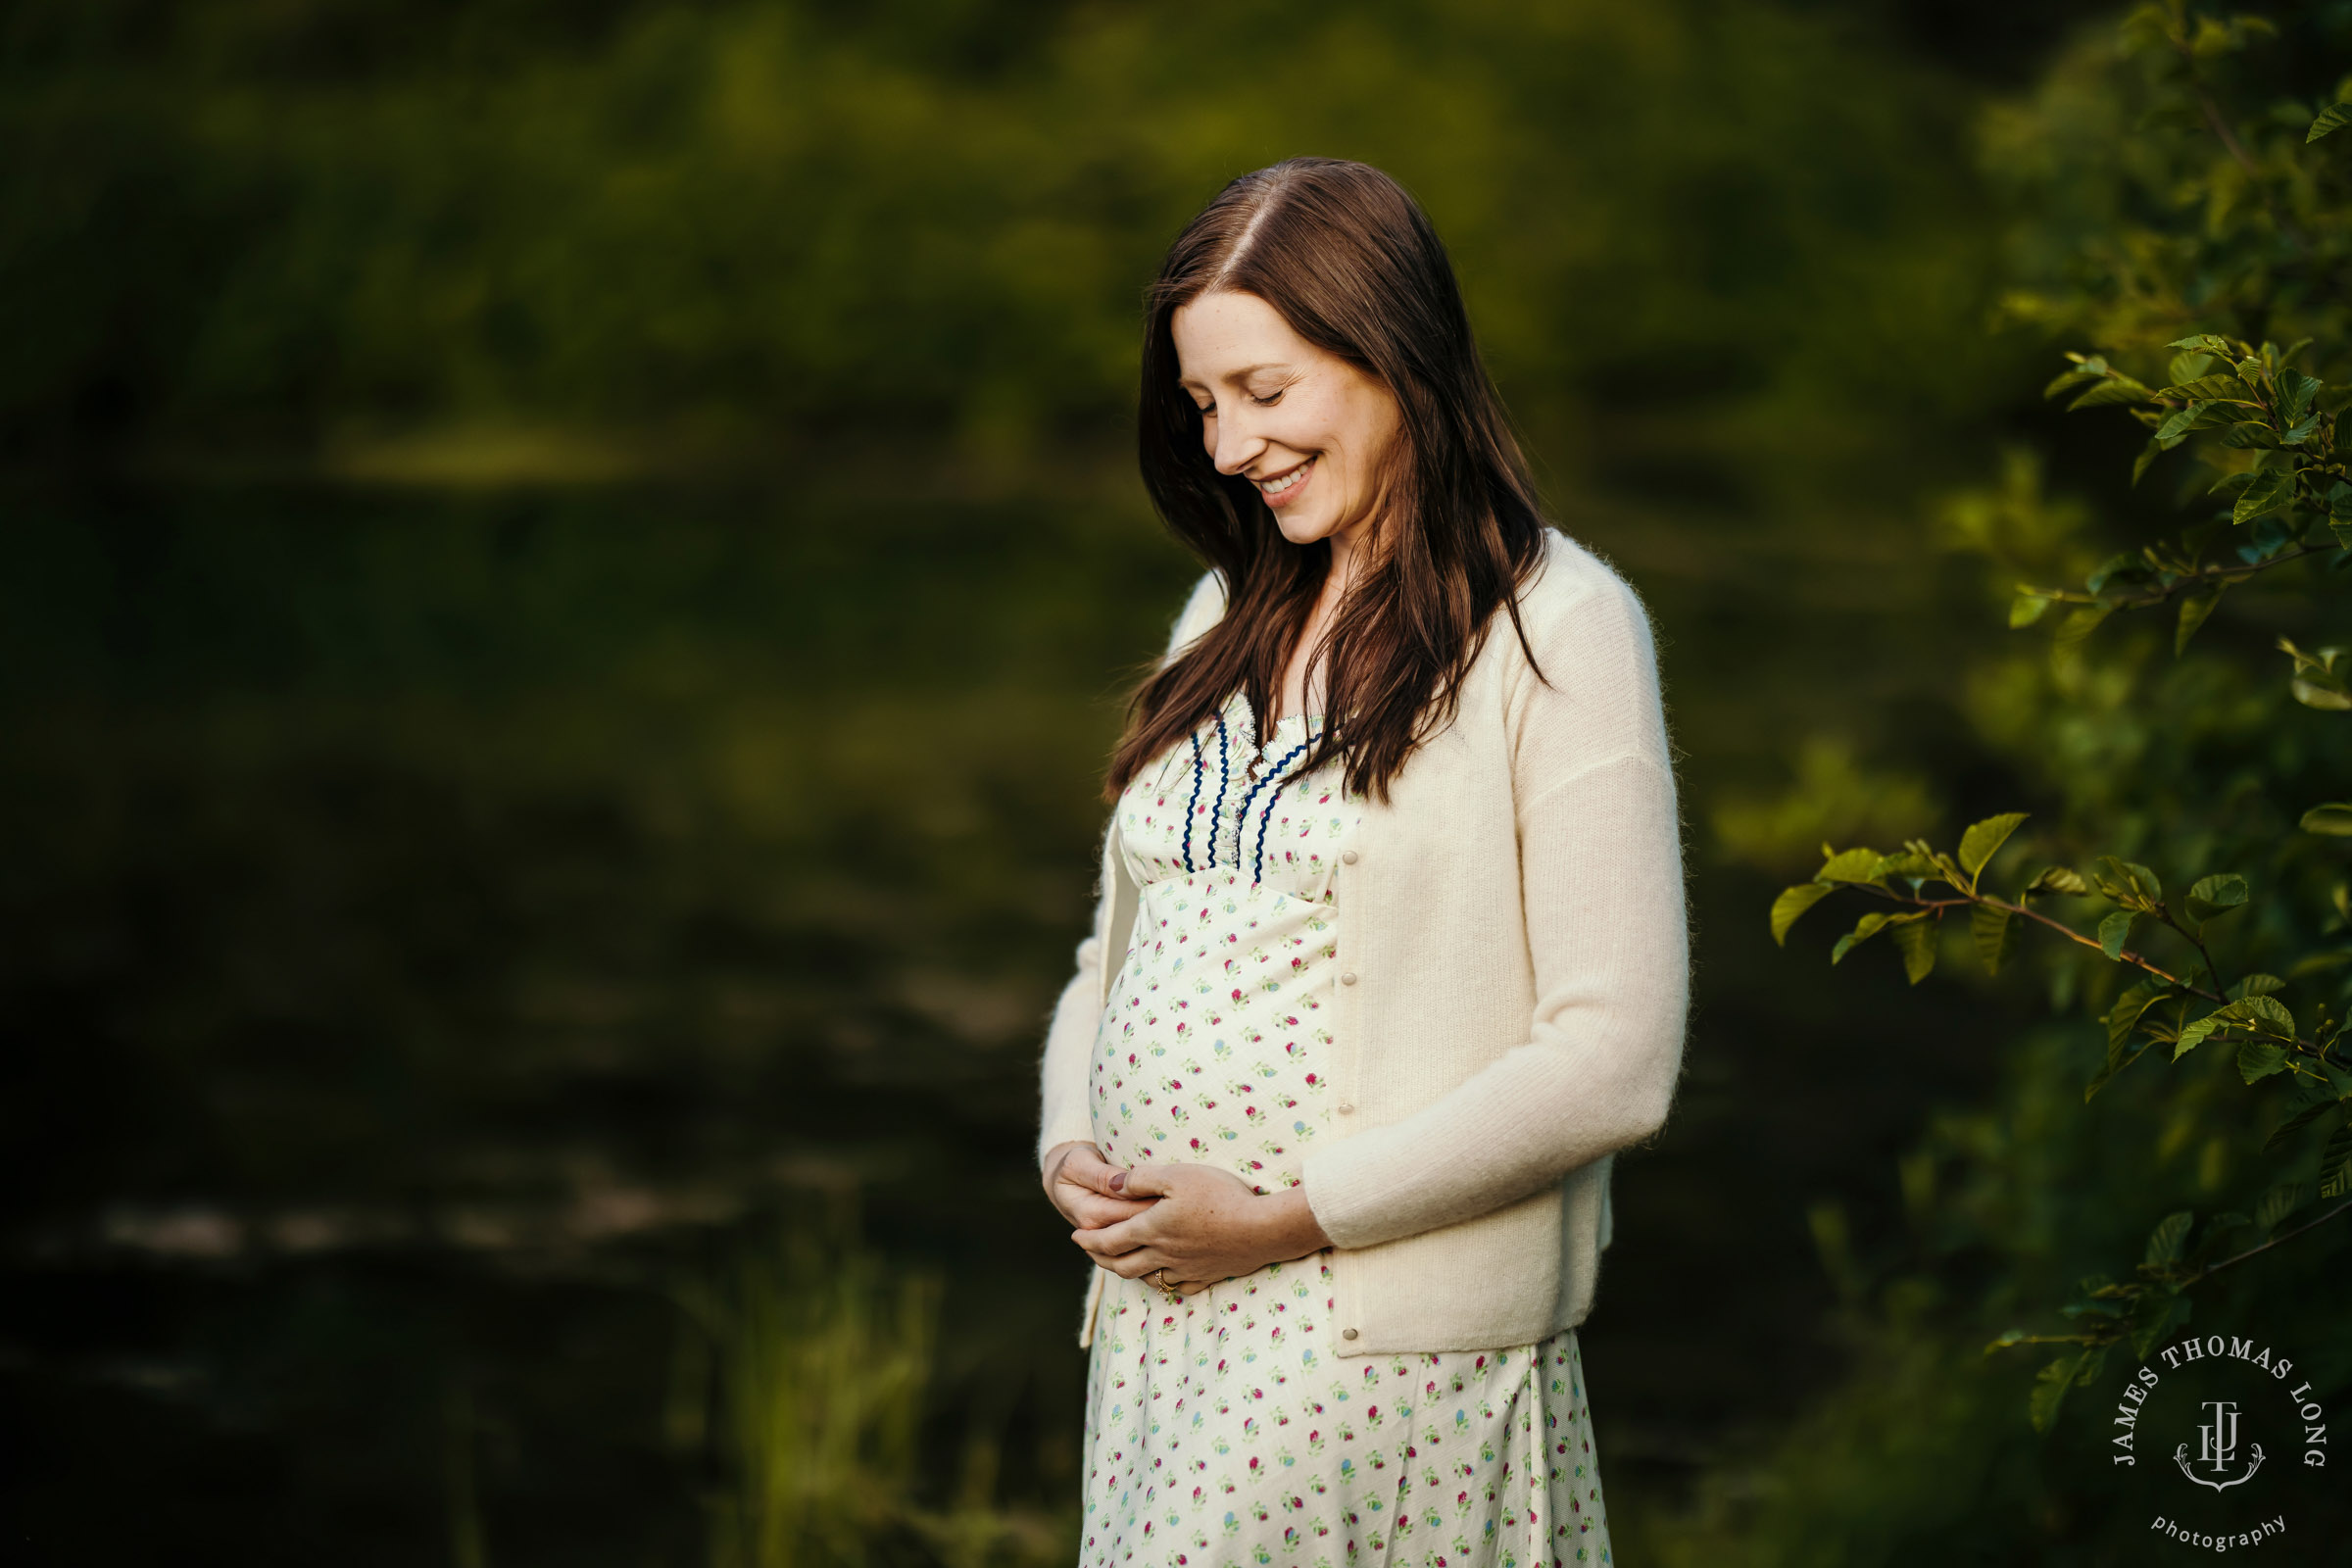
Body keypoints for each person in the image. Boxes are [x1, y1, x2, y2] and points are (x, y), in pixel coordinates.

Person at [1036, 156, 1688, 1567]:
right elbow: (1117, 952)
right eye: (1203, 404)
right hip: (1163, 1333)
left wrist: (1282, 1220)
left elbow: (1613, 1055)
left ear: (1393, 353)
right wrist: (1067, 1146)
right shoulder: (1227, 607)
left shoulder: (1558, 628)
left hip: (1378, 1351)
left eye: (1265, 394)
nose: (1226, 448)